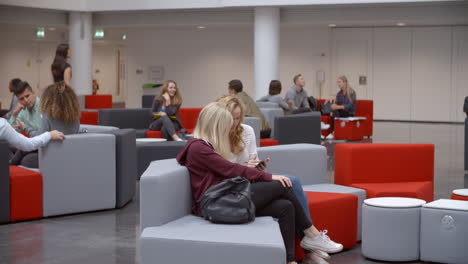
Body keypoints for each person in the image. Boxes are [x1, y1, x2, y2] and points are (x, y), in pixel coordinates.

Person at [176, 102, 343, 264]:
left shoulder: (203, 145)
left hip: (226, 196)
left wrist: (260, 173)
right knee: (283, 184)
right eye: (226, 124)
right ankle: (311, 234)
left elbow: (227, 172)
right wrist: (269, 177)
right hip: (216, 202)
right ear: (215, 125)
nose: (229, 128)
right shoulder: (199, 148)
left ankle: (289, 260)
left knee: (285, 206)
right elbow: (231, 169)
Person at [10, 81, 80, 168]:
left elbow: (39, 138)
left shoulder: (48, 115)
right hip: (66, 155)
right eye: (21, 98)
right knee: (19, 150)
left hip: (48, 153)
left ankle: (10, 164)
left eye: (27, 96)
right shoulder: (75, 117)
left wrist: (25, 127)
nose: (26, 100)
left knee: (24, 157)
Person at [325, 76, 356, 140]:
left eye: (339, 82)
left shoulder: (351, 92)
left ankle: (334, 132)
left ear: (344, 82)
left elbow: (349, 106)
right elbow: (336, 103)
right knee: (333, 111)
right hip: (342, 112)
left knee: (335, 110)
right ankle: (333, 132)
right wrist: (332, 109)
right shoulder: (339, 93)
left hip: (349, 112)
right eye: (337, 82)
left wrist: (337, 107)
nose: (338, 84)